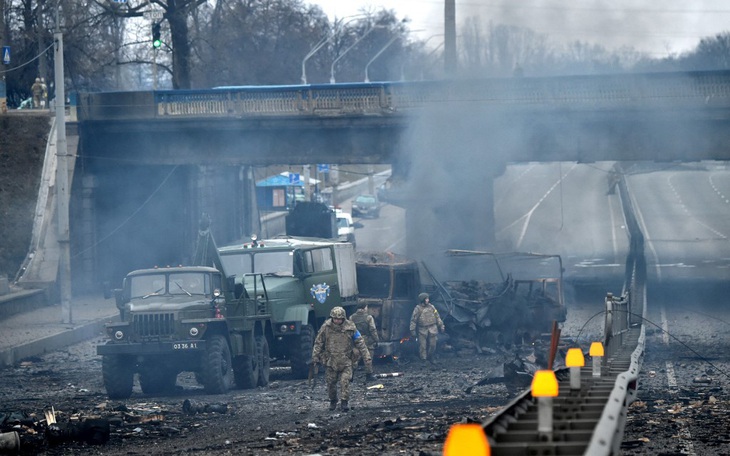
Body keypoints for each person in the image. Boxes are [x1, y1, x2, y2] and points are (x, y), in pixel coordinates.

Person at [312, 306, 373, 411]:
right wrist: (315, 357)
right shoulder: (326, 327)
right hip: (331, 361)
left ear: (343, 319)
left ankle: (344, 402)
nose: (337, 321)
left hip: (346, 360)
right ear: (332, 318)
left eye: (339, 319)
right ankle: (333, 401)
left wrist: (366, 356)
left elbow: (360, 342)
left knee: (345, 382)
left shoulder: (351, 327)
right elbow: (318, 343)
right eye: (335, 319)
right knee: (331, 383)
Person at [410, 293, 445, 364]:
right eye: (426, 299)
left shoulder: (432, 307)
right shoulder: (418, 309)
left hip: (432, 328)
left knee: (433, 345)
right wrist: (412, 330)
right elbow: (413, 320)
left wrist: (441, 326)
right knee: (422, 346)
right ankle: (424, 359)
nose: (428, 300)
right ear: (423, 300)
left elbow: (437, 317)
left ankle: (430, 357)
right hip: (422, 329)